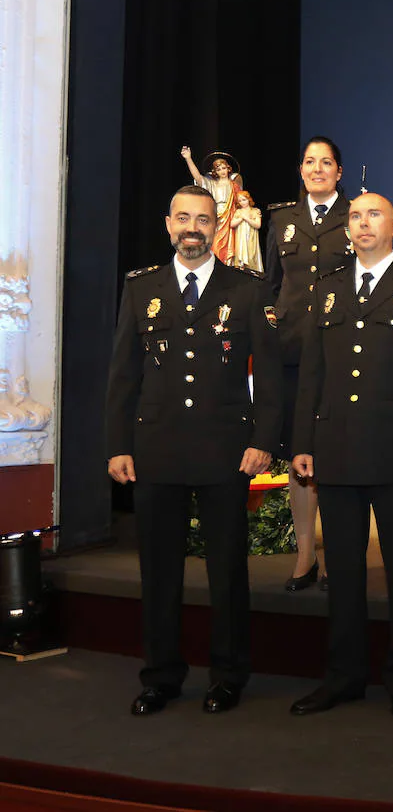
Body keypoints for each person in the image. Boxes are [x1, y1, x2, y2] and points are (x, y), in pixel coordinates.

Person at [106, 184, 283, 715]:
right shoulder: (141, 289)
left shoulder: (247, 290)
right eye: (183, 217)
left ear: (216, 227)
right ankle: (160, 675)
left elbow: (270, 378)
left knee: (227, 571)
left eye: (203, 219)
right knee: (158, 572)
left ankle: (228, 674)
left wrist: (264, 442)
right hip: (156, 449)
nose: (192, 227)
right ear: (167, 224)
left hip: (225, 451)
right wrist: (118, 444)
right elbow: (123, 374)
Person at [288, 193, 393, 720]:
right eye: (354, 216)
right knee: (344, 574)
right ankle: (345, 677)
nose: (361, 223)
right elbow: (312, 373)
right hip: (335, 449)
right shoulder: (326, 291)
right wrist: (303, 442)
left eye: (373, 214)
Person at [264, 136, 352, 592]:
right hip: (293, 352)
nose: (317, 169)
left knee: (333, 454)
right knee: (299, 454)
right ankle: (305, 557)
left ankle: (337, 556)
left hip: (341, 353)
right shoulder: (282, 219)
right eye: (309, 162)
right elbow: (272, 288)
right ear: (301, 170)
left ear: (339, 171)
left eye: (327, 162)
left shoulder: (357, 215)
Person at [180, 146, 242, 263]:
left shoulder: (234, 184)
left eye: (224, 168)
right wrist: (188, 158)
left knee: (231, 245)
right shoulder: (212, 184)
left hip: (231, 217)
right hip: (216, 217)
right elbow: (198, 178)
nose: (222, 171)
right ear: (215, 172)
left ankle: (229, 265)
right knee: (216, 244)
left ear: (228, 169)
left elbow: (241, 200)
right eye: (219, 169)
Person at [229, 190, 263, 273]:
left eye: (244, 200)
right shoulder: (238, 212)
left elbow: (258, 225)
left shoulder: (255, 211)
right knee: (241, 254)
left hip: (251, 237)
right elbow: (232, 224)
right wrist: (241, 218)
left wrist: (247, 218)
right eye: (240, 201)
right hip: (241, 239)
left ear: (248, 199)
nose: (242, 203)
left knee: (251, 255)